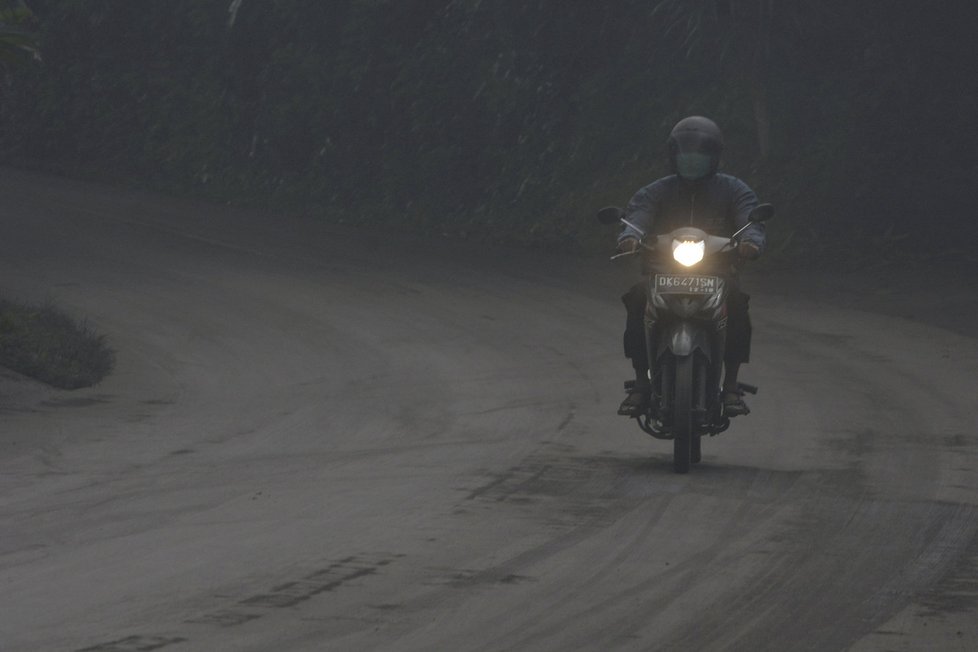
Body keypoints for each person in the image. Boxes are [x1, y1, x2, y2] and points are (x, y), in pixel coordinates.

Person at [616, 115, 766, 417]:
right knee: (637, 298)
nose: (692, 160)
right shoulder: (656, 191)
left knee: (736, 303)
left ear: (715, 156)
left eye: (700, 154)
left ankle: (732, 386)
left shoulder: (733, 190)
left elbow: (751, 220)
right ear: (673, 155)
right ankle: (642, 382)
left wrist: (751, 242)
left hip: (718, 273)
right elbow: (637, 216)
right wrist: (630, 237)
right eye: (686, 153)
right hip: (663, 272)